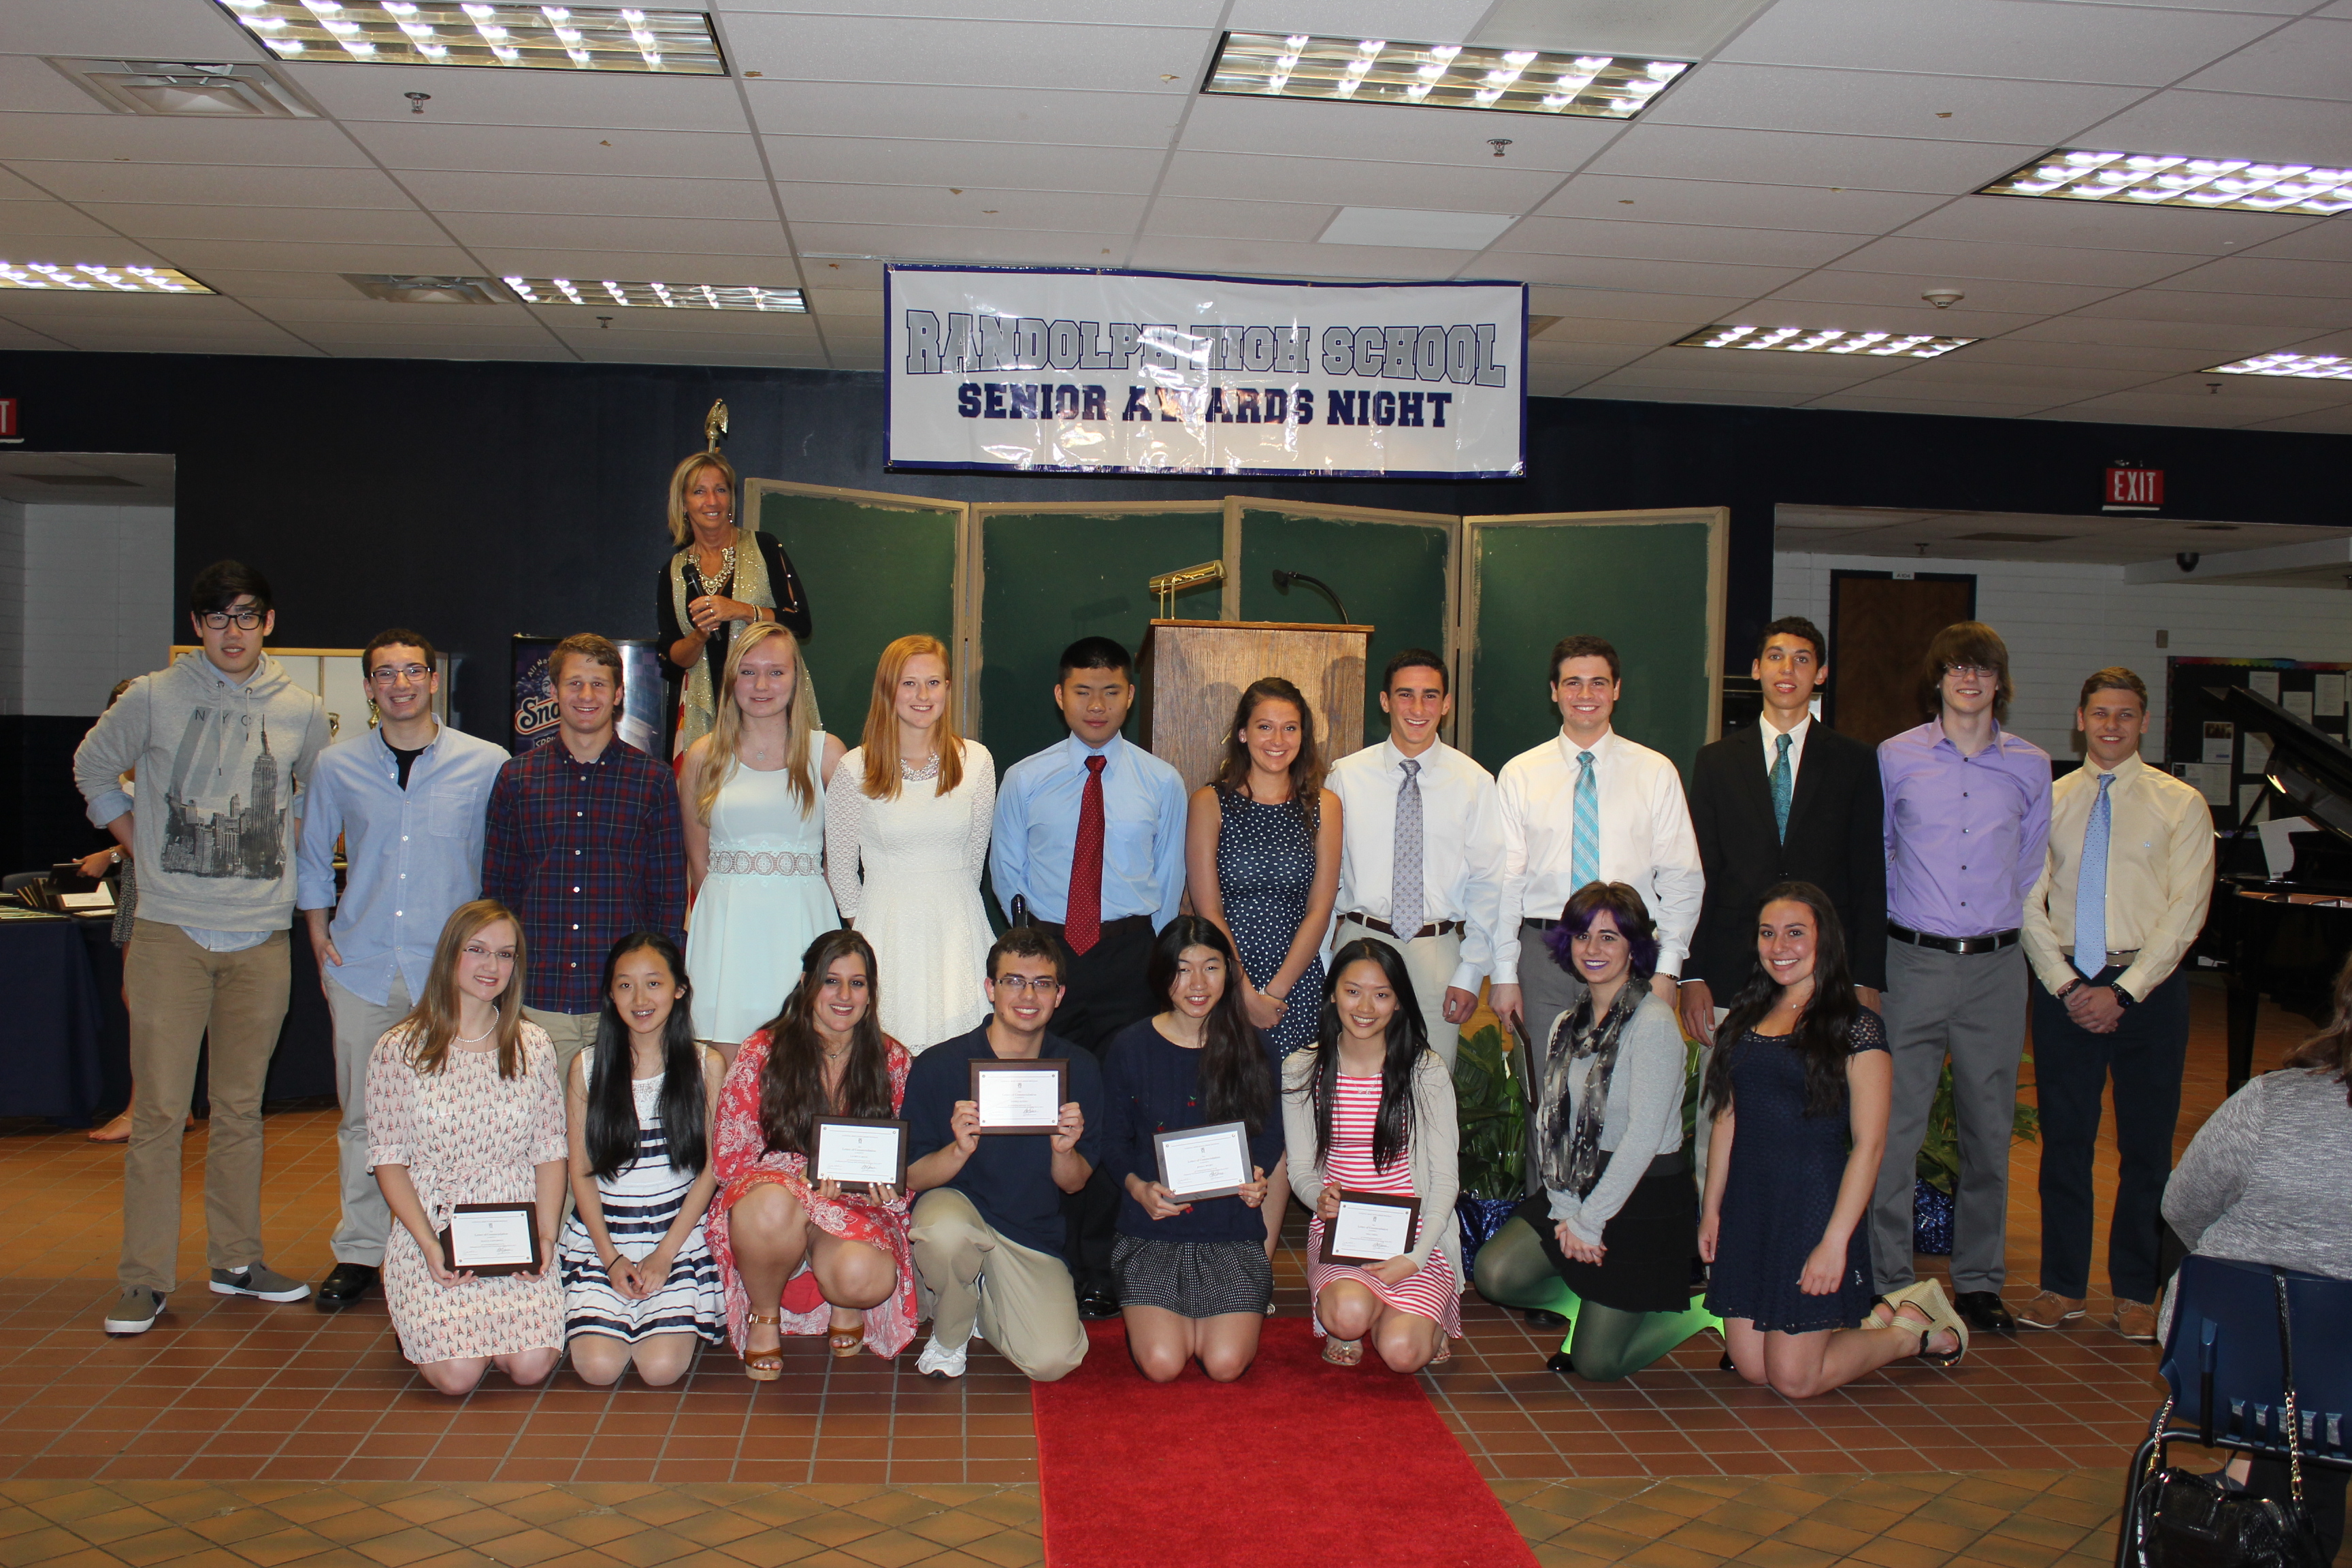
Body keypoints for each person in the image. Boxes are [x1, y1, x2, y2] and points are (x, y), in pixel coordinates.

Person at [74, 560, 333, 1336]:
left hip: (261, 936)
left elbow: (317, 801)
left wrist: (282, 852)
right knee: (159, 1112)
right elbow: (92, 767)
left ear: (269, 623)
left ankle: (237, 1261)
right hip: (170, 933)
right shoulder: (154, 696)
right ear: (197, 626)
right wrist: (138, 844)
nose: (233, 631)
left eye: (247, 615)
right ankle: (144, 1278)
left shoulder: (301, 710)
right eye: (218, 617)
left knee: (241, 1109)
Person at [297, 629, 510, 1313]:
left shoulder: (486, 764)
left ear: (433, 680)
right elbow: (311, 856)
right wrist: (318, 933)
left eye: (413, 671)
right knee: (365, 1118)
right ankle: (361, 1250)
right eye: (385, 674)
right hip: (362, 966)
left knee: (461, 1116)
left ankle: (458, 1240)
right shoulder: (337, 765)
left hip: (452, 975)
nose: (400, 684)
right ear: (368, 688)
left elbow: (499, 863)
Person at [1702, 883, 1967, 1396]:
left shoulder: (1856, 1027)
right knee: (1754, 1369)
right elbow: (1725, 1119)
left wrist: (1834, 1242)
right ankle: (1881, 1319)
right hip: (1750, 1205)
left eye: (1795, 933)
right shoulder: (1743, 1018)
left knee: (1795, 1380)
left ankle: (1909, 1332)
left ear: (1825, 941)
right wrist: (1712, 1209)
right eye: (1768, 934)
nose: (1780, 947)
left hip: (1812, 1206)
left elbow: (1869, 1145)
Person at [991, 635, 1188, 1320]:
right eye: (1082, 691)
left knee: (1112, 1107)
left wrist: (1154, 963)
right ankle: (1042, 1254)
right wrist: (1032, 956)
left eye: (1110, 691)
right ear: (1060, 696)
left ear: (1130, 696)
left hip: (1129, 954)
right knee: (1044, 1102)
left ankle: (1100, 1265)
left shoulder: (1161, 782)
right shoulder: (1024, 779)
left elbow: (1169, 880)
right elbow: (1007, 873)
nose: (1096, 704)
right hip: (1047, 957)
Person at [1867, 623, 2051, 1337]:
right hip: (1913, 963)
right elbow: (1881, 850)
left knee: (1988, 1131)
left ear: (2000, 682)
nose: (1969, 680)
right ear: (1937, 679)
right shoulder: (1896, 757)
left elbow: (2029, 864)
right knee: (1895, 1129)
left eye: (1982, 669)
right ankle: (1890, 1277)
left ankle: (1978, 1282)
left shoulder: (2031, 765)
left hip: (1996, 970)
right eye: (1955, 668)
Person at [2019, 668, 2212, 1341]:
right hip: (2066, 989)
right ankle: (2061, 1286)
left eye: (2125, 715)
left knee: (2147, 1148)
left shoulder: (2181, 804)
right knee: (2065, 1144)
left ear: (2144, 723)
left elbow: (2187, 910)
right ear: (2080, 718)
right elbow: (2026, 900)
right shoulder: (2049, 800)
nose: (2111, 726)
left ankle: (2136, 1290)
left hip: (2149, 991)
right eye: (2100, 713)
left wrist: (2126, 990)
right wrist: (2068, 985)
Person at [1471, 883, 1716, 1379]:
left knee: (1597, 1364)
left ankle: (1703, 1313)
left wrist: (1589, 1221)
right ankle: (1590, 1306)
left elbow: (1643, 1138)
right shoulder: (1567, 1022)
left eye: (1609, 937)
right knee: (1494, 1273)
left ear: (1634, 946)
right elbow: (1552, 1125)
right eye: (1583, 936)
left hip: (1641, 1192)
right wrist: (1566, 1209)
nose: (1593, 949)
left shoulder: (1653, 1023)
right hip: (1576, 1180)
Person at [1682, 618, 1886, 1199]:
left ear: (1820, 674)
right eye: (1775, 656)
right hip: (1732, 970)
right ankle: (1714, 1236)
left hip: (1822, 974)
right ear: (1756, 670)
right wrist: (1694, 974)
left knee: (1817, 1115)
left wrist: (1866, 978)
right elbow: (1700, 874)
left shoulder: (1854, 761)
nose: (1787, 669)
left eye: (1801, 659)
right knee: (1721, 1116)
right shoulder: (1716, 761)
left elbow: (1869, 876)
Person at [2159, 953, 2352, 1561]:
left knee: (2303, 1376)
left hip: (2225, 1363)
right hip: (2323, 1380)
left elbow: (2183, 1206)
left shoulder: (2269, 1100)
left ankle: (2252, 1482)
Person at [1490, 636, 1703, 1133]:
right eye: (1573, 683)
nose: (1585, 694)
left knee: (1623, 1105)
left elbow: (1682, 878)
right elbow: (1504, 883)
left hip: (1630, 956)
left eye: (1598, 683)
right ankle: (1548, 1190)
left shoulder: (1655, 772)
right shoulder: (1520, 774)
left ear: (1617, 690)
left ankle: (1618, 1191)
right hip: (1543, 955)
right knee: (1547, 1107)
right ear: (1554, 691)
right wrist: (1503, 972)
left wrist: (1667, 970)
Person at [367, 900, 568, 1395]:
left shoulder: (533, 1045)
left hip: (515, 1227)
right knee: (458, 1377)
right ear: (450, 954)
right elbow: (388, 1160)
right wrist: (429, 1245)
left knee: (531, 1367)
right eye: (477, 950)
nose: (491, 965)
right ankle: (413, 1308)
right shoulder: (399, 1048)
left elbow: (550, 1151)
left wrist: (545, 1238)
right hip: (434, 1225)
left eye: (505, 954)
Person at [709, 929, 915, 1373]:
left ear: (870, 993)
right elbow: (730, 1156)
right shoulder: (763, 1050)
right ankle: (765, 1315)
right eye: (831, 981)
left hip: (856, 1203)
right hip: (776, 1198)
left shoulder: (893, 1060)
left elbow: (906, 1155)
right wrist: (799, 1183)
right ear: (807, 983)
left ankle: (841, 1291)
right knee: (769, 1205)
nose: (844, 995)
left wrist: (890, 1188)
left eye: (857, 983)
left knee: (864, 1279)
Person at [904, 928, 1102, 1383]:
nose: (1028, 996)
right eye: (1013, 981)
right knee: (945, 1234)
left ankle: (981, 1299)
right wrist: (958, 1150)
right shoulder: (939, 1065)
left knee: (1053, 1361)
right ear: (990, 989)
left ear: (1059, 995)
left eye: (1042, 984)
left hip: (1029, 1230)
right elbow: (913, 1176)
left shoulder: (1079, 1069)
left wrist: (1063, 1150)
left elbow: (1075, 1183)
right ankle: (950, 1333)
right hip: (957, 1211)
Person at [483, 632, 686, 1076]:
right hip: (539, 996)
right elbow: (498, 894)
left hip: (624, 1002)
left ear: (618, 694)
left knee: (623, 1118)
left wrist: (659, 985)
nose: (587, 695)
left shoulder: (652, 780)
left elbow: (668, 898)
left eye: (599, 684)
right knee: (542, 1121)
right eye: (575, 683)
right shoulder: (516, 778)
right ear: (554, 692)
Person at [1098, 917, 1284, 1382]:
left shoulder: (1256, 1046)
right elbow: (1112, 1141)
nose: (1197, 984)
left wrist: (1257, 1174)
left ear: (1229, 972)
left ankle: (1207, 1324)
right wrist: (1138, 1188)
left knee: (1225, 1364)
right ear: (1162, 974)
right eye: (1182, 970)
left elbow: (1270, 1134)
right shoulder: (1129, 1047)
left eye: (1211, 967)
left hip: (1230, 1229)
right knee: (1162, 1364)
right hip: (1153, 1230)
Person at [1283, 938, 1461, 1373]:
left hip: (1416, 1235)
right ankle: (1370, 1313)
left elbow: (1444, 1179)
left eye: (1382, 994)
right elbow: (1301, 1169)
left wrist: (1415, 1257)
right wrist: (1318, 1196)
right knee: (1346, 1317)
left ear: (1398, 1002)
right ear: (1332, 994)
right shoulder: (1303, 1068)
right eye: (1352, 991)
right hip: (1342, 1233)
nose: (1365, 1007)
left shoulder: (1426, 1071)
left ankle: (1417, 1316)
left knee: (1403, 1355)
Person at [559, 932, 726, 1387]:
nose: (640, 999)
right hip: (604, 1236)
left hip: (677, 1235)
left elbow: (712, 1169)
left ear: (679, 989)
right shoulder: (587, 1067)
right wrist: (610, 1258)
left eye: (654, 983)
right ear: (610, 995)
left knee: (660, 1369)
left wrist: (664, 1255)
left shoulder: (706, 1064)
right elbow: (581, 1172)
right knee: (598, 1369)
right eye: (625, 985)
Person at [1327, 648, 1505, 1073]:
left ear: (1446, 704)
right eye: (1405, 695)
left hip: (1437, 952)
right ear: (1385, 701)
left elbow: (1488, 883)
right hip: (1360, 942)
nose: (1418, 708)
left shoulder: (1474, 782)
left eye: (1430, 696)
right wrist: (1324, 960)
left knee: (1430, 1084)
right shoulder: (1346, 776)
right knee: (1353, 1079)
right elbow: (1327, 879)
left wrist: (1471, 971)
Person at [679, 623, 844, 1064]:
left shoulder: (827, 754)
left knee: (806, 1062)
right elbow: (698, 862)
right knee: (725, 1068)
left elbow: (843, 863)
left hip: (802, 927)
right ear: (731, 679)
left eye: (776, 672)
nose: (762, 685)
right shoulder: (703, 756)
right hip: (727, 932)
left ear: (796, 678)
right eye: (749, 672)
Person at [825, 634, 996, 1051]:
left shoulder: (977, 762)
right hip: (884, 934)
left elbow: (974, 862)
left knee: (960, 1058)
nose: (923, 695)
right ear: (888, 689)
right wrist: (869, 933)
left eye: (933, 683)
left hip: (958, 931)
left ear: (948, 688)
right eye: (909, 683)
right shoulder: (854, 767)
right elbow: (841, 871)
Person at [1186, 676, 1342, 1057]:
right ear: (1243, 733)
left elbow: (1320, 909)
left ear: (1303, 736)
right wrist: (1243, 991)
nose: (1278, 740)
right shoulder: (1209, 802)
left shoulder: (1325, 805)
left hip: (1295, 980)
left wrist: (1275, 992)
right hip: (1222, 977)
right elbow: (1208, 909)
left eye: (1290, 728)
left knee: (1294, 1091)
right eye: (1265, 727)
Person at [653, 448, 811, 759]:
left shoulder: (764, 547)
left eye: (721, 490)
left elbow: (800, 622)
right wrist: (700, 634)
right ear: (683, 503)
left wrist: (742, 610)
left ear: (731, 499)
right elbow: (672, 660)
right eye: (700, 492)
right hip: (704, 708)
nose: (712, 501)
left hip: (769, 703)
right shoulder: (673, 571)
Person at [75, 678, 141, 1145]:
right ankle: (165, 1103)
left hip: (155, 888)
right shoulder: (123, 772)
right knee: (135, 997)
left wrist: (114, 852)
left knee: (143, 1000)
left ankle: (143, 1107)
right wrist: (116, 853)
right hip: (137, 882)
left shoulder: (155, 764)